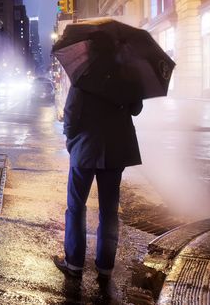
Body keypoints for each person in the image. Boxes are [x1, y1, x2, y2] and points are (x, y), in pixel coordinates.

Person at [52, 83, 143, 282]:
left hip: (85, 147)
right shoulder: (128, 75)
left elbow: (71, 111)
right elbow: (136, 109)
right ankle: (105, 267)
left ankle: (74, 263)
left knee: (76, 206)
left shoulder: (86, 73)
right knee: (109, 211)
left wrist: (70, 139)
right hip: (115, 149)